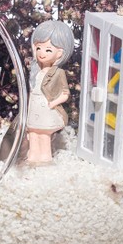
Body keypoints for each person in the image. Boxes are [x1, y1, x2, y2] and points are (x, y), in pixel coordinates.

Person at [26, 20, 74, 164]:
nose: (42, 53)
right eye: (39, 48)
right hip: (34, 107)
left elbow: (65, 93)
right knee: (33, 133)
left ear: (59, 53)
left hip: (46, 107)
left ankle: (45, 157)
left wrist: (53, 103)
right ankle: (33, 155)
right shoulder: (35, 71)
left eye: (48, 50)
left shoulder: (58, 73)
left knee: (44, 135)